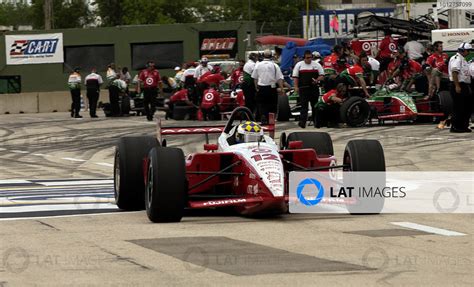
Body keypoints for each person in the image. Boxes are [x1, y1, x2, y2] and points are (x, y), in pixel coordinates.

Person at [292, 50, 325, 128]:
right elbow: (295, 77)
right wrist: (296, 87)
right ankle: (302, 123)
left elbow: (322, 75)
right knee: (304, 107)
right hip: (303, 88)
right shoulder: (299, 65)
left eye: (310, 57)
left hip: (314, 88)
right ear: (304, 57)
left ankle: (316, 122)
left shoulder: (317, 65)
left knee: (315, 106)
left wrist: (317, 80)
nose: (309, 59)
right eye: (307, 58)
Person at [251, 49, 285, 124]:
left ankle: (263, 115)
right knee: (272, 104)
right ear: (271, 56)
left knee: (262, 104)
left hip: (261, 87)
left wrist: (256, 87)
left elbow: (255, 78)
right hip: (271, 88)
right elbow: (279, 78)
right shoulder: (275, 65)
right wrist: (282, 88)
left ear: (263, 56)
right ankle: (271, 119)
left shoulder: (258, 65)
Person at [448, 43, 472, 133]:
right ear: (463, 50)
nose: (469, 52)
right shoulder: (456, 59)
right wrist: (457, 86)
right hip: (458, 84)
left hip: (464, 85)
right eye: (468, 50)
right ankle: (456, 126)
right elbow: (455, 72)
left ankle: (463, 126)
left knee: (466, 106)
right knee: (459, 107)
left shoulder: (463, 59)